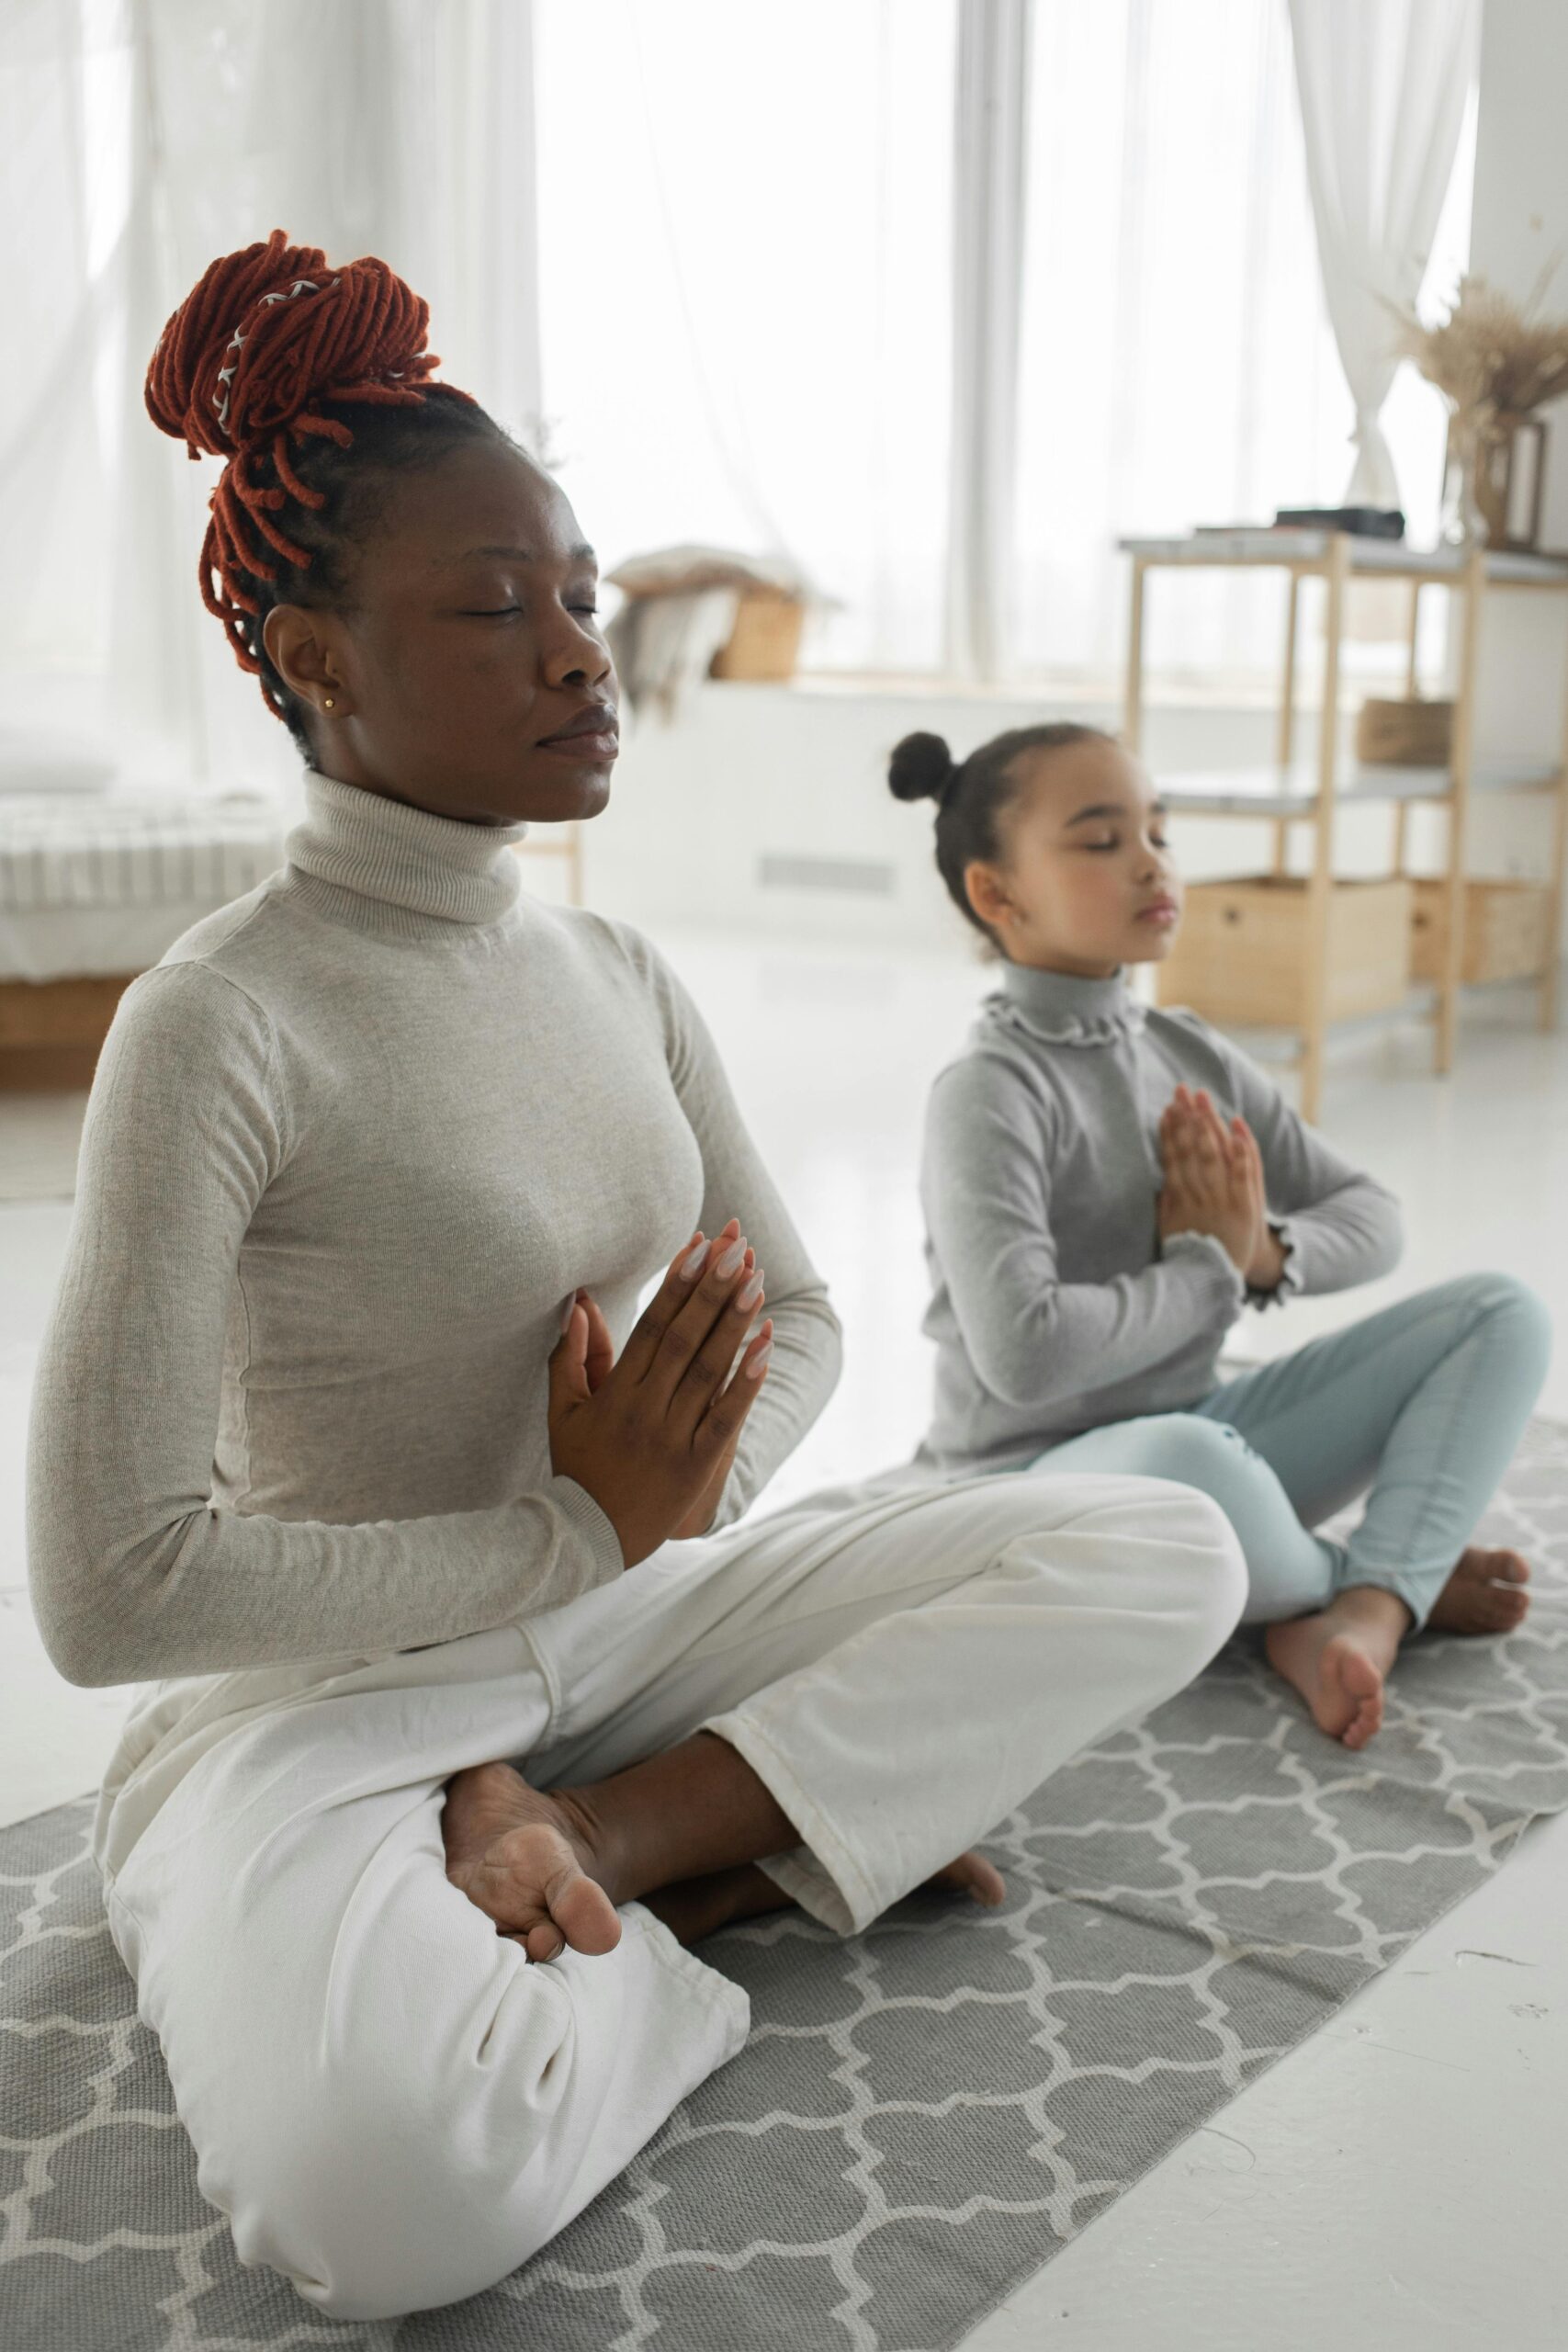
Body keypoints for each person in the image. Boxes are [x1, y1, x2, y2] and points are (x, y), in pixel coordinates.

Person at [25, 235, 1247, 2324]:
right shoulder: (219, 1019)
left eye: (578, 597)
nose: (581, 656)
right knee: (381, 2198)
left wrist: (631, 1532)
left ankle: (593, 1841)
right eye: (495, 611)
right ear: (314, 656)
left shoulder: (609, 967)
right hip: (320, 1699)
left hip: (617, 1626)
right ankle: (720, 1853)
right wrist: (561, 1526)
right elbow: (109, 1589)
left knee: (1163, 1545)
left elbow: (804, 1312)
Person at [890, 720, 1551, 1754]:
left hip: (1204, 1437)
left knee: (1500, 1313)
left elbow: (1373, 1218)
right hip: (1030, 1486)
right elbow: (1022, 1356)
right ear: (998, 895)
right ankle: (1379, 1579)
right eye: (1102, 840)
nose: (1151, 859)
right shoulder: (988, 1093)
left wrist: (1263, 1257)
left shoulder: (1185, 1046)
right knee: (1200, 1459)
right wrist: (1205, 1270)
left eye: (1158, 830)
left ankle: (1356, 1609)